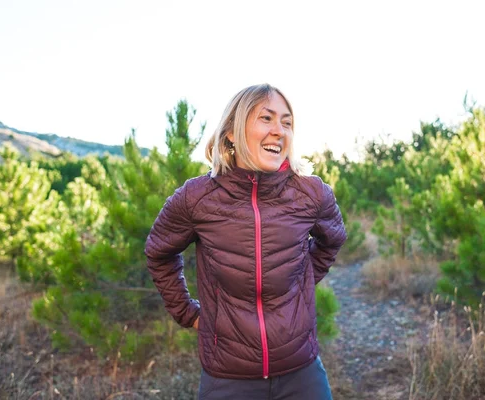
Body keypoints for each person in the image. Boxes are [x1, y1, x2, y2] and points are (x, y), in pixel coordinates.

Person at [145, 83, 347, 399]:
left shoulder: (311, 193)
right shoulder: (197, 198)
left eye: (287, 122)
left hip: (301, 370)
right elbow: (159, 253)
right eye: (266, 118)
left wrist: (300, 281)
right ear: (231, 133)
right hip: (227, 376)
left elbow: (332, 240)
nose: (278, 131)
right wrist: (188, 313)